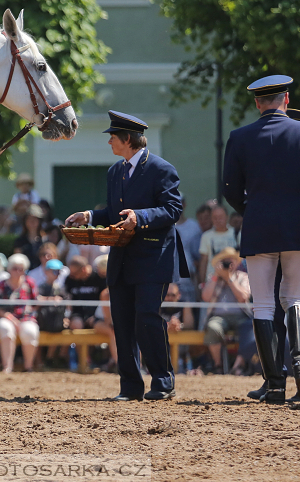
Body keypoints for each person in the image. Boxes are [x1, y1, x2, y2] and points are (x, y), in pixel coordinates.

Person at [223, 75, 300, 403]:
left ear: (258, 103)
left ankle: (274, 383)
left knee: (263, 304)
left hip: (259, 226)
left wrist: (251, 209)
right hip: (298, 227)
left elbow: (230, 187)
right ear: (286, 99)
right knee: (295, 298)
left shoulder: (240, 137)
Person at [66, 110, 185, 401]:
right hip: (121, 258)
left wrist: (139, 216)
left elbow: (173, 210)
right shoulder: (114, 172)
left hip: (152, 257)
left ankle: (162, 380)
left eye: (113, 138)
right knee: (121, 322)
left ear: (128, 139)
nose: (109, 143)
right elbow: (111, 213)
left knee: (147, 317)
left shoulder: (161, 169)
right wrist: (89, 215)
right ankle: (130, 387)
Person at [201, 247, 254, 375]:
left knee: (250, 329)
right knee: (213, 328)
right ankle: (218, 365)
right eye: (225, 260)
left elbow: (243, 297)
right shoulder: (213, 277)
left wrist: (229, 279)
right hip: (219, 318)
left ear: (236, 262)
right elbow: (206, 297)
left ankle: (238, 366)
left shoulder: (243, 277)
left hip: (241, 317)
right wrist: (216, 276)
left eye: (231, 260)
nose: (228, 263)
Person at [0, 254, 39, 373]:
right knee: (6, 329)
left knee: (30, 331)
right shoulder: (2, 285)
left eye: (21, 269)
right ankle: (7, 367)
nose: (18, 271)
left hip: (26, 318)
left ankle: (28, 367)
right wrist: (11, 319)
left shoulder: (30, 283)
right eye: (15, 268)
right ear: (9, 269)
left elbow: (35, 304)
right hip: (5, 317)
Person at [197, 204, 238, 288]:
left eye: (220, 217)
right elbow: (204, 261)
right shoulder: (206, 236)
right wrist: (202, 282)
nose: (218, 220)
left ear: (227, 217)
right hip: (213, 280)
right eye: (215, 217)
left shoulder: (237, 234)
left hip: (235, 279)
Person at [14, 203, 46, 270]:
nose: (32, 221)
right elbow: (17, 259)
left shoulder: (45, 240)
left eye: (35, 219)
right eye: (29, 218)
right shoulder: (19, 241)